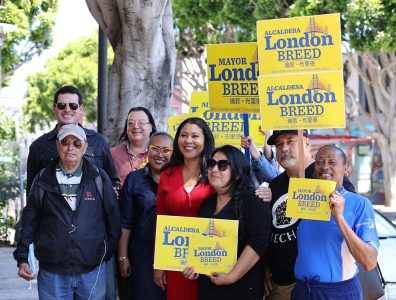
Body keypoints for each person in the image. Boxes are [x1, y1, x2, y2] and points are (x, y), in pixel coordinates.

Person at [14, 124, 121, 299]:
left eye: (77, 143)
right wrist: (22, 257)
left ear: (85, 147)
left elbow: (113, 220)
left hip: (92, 270)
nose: (70, 148)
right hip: (53, 272)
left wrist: (102, 252)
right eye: (65, 142)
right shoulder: (42, 179)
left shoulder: (99, 178)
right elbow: (29, 220)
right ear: (58, 145)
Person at [264, 130, 355, 300]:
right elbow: (268, 231)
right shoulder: (274, 185)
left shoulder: (325, 173)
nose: (284, 148)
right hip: (280, 286)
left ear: (306, 143)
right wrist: (265, 266)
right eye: (279, 144)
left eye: (290, 141)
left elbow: (350, 215)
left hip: (320, 286)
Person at [183, 145, 271, 300]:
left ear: (236, 171)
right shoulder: (206, 204)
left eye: (222, 165)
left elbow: (258, 242)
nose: (214, 169)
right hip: (208, 288)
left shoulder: (253, 199)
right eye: (211, 164)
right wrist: (193, 268)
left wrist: (231, 276)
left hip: (242, 289)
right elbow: (200, 244)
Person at [291, 145, 379, 299]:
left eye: (332, 162)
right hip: (303, 290)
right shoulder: (301, 198)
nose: (325, 167)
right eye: (319, 162)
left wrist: (339, 218)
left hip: (338, 293)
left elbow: (369, 262)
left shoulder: (359, 203)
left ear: (345, 169)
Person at [154, 117, 216, 300]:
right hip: (175, 262)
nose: (188, 141)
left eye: (195, 136)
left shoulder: (216, 173)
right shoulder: (167, 174)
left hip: (209, 259)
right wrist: (159, 264)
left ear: (205, 141)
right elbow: (160, 219)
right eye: (183, 135)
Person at [26, 85, 120, 194]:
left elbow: (112, 181)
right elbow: (32, 192)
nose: (67, 109)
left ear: (81, 108)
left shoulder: (98, 141)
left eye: (73, 106)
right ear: (54, 108)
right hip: (53, 210)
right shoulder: (38, 147)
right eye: (61, 105)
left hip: (91, 209)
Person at [118, 132, 173, 300]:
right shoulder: (134, 179)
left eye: (166, 150)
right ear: (147, 150)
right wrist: (123, 256)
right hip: (142, 254)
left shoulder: (181, 179)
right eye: (155, 149)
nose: (160, 154)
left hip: (174, 252)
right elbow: (125, 222)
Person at [111, 107, 157, 187]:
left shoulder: (158, 155)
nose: (135, 126)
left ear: (151, 127)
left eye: (141, 123)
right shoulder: (113, 154)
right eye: (130, 123)